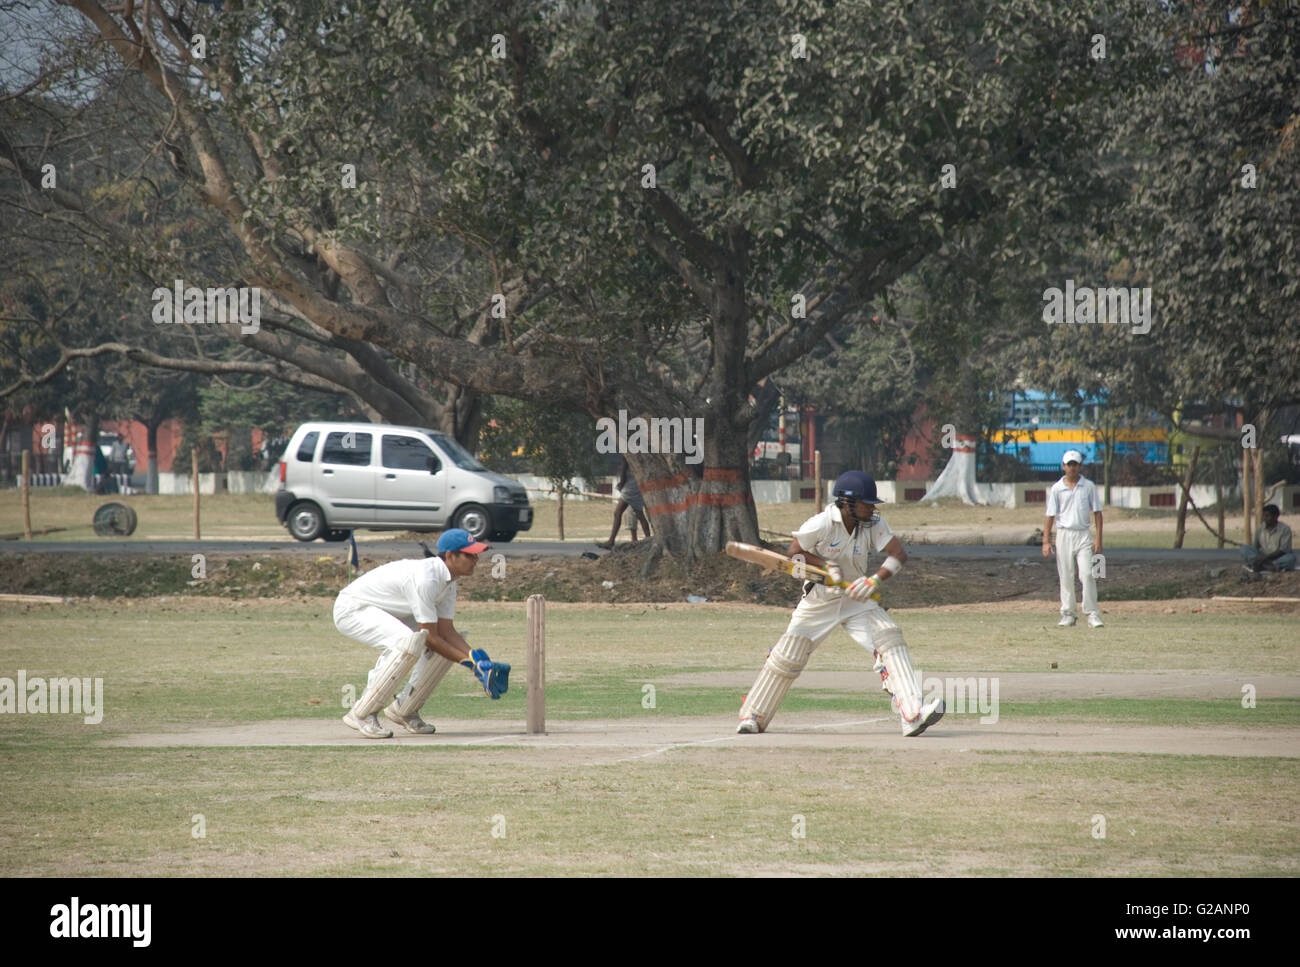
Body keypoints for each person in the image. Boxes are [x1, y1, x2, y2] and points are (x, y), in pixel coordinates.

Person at [736, 470, 945, 737]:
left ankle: (912, 714)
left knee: (888, 638)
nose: (872, 508)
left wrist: (874, 581)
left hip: (857, 598)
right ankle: (753, 715)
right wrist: (825, 568)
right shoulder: (821, 523)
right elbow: (794, 555)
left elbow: (898, 554)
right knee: (788, 656)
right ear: (847, 503)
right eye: (867, 503)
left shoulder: (873, 523)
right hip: (818, 601)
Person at [332, 528, 509, 738]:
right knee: (405, 643)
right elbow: (431, 637)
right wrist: (469, 664)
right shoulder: (427, 578)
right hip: (353, 608)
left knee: (438, 646)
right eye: (470, 554)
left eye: (476, 554)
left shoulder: (449, 582)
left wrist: (475, 660)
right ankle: (362, 712)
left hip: (391, 610)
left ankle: (404, 709)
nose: (476, 559)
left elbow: (446, 631)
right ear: (451, 556)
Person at [1042, 450, 1105, 628]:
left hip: (1083, 534)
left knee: (1087, 574)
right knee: (1066, 576)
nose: (1072, 468)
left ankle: (1092, 613)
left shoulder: (1089, 486)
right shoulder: (1057, 488)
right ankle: (1068, 613)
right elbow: (1050, 515)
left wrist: (1099, 539)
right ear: (1063, 466)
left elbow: (1098, 513)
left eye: (1075, 464)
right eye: (1069, 465)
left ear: (1080, 466)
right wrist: (1046, 541)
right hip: (1064, 535)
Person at [597, 456, 651, 549]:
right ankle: (648, 539)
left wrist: (622, 483)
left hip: (630, 485)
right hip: (638, 484)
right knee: (639, 514)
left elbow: (624, 469)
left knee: (618, 512)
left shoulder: (628, 451)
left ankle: (611, 541)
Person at [1241, 504, 1295, 576]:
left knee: (1291, 558)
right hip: (1263, 558)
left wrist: (1265, 558)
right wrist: (1259, 558)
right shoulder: (1260, 529)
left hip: (1278, 558)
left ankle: (1263, 566)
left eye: (1267, 516)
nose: (1264, 518)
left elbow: (1283, 550)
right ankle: (1267, 567)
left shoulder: (1285, 529)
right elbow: (1255, 547)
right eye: (1263, 516)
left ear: (1276, 517)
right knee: (1244, 549)